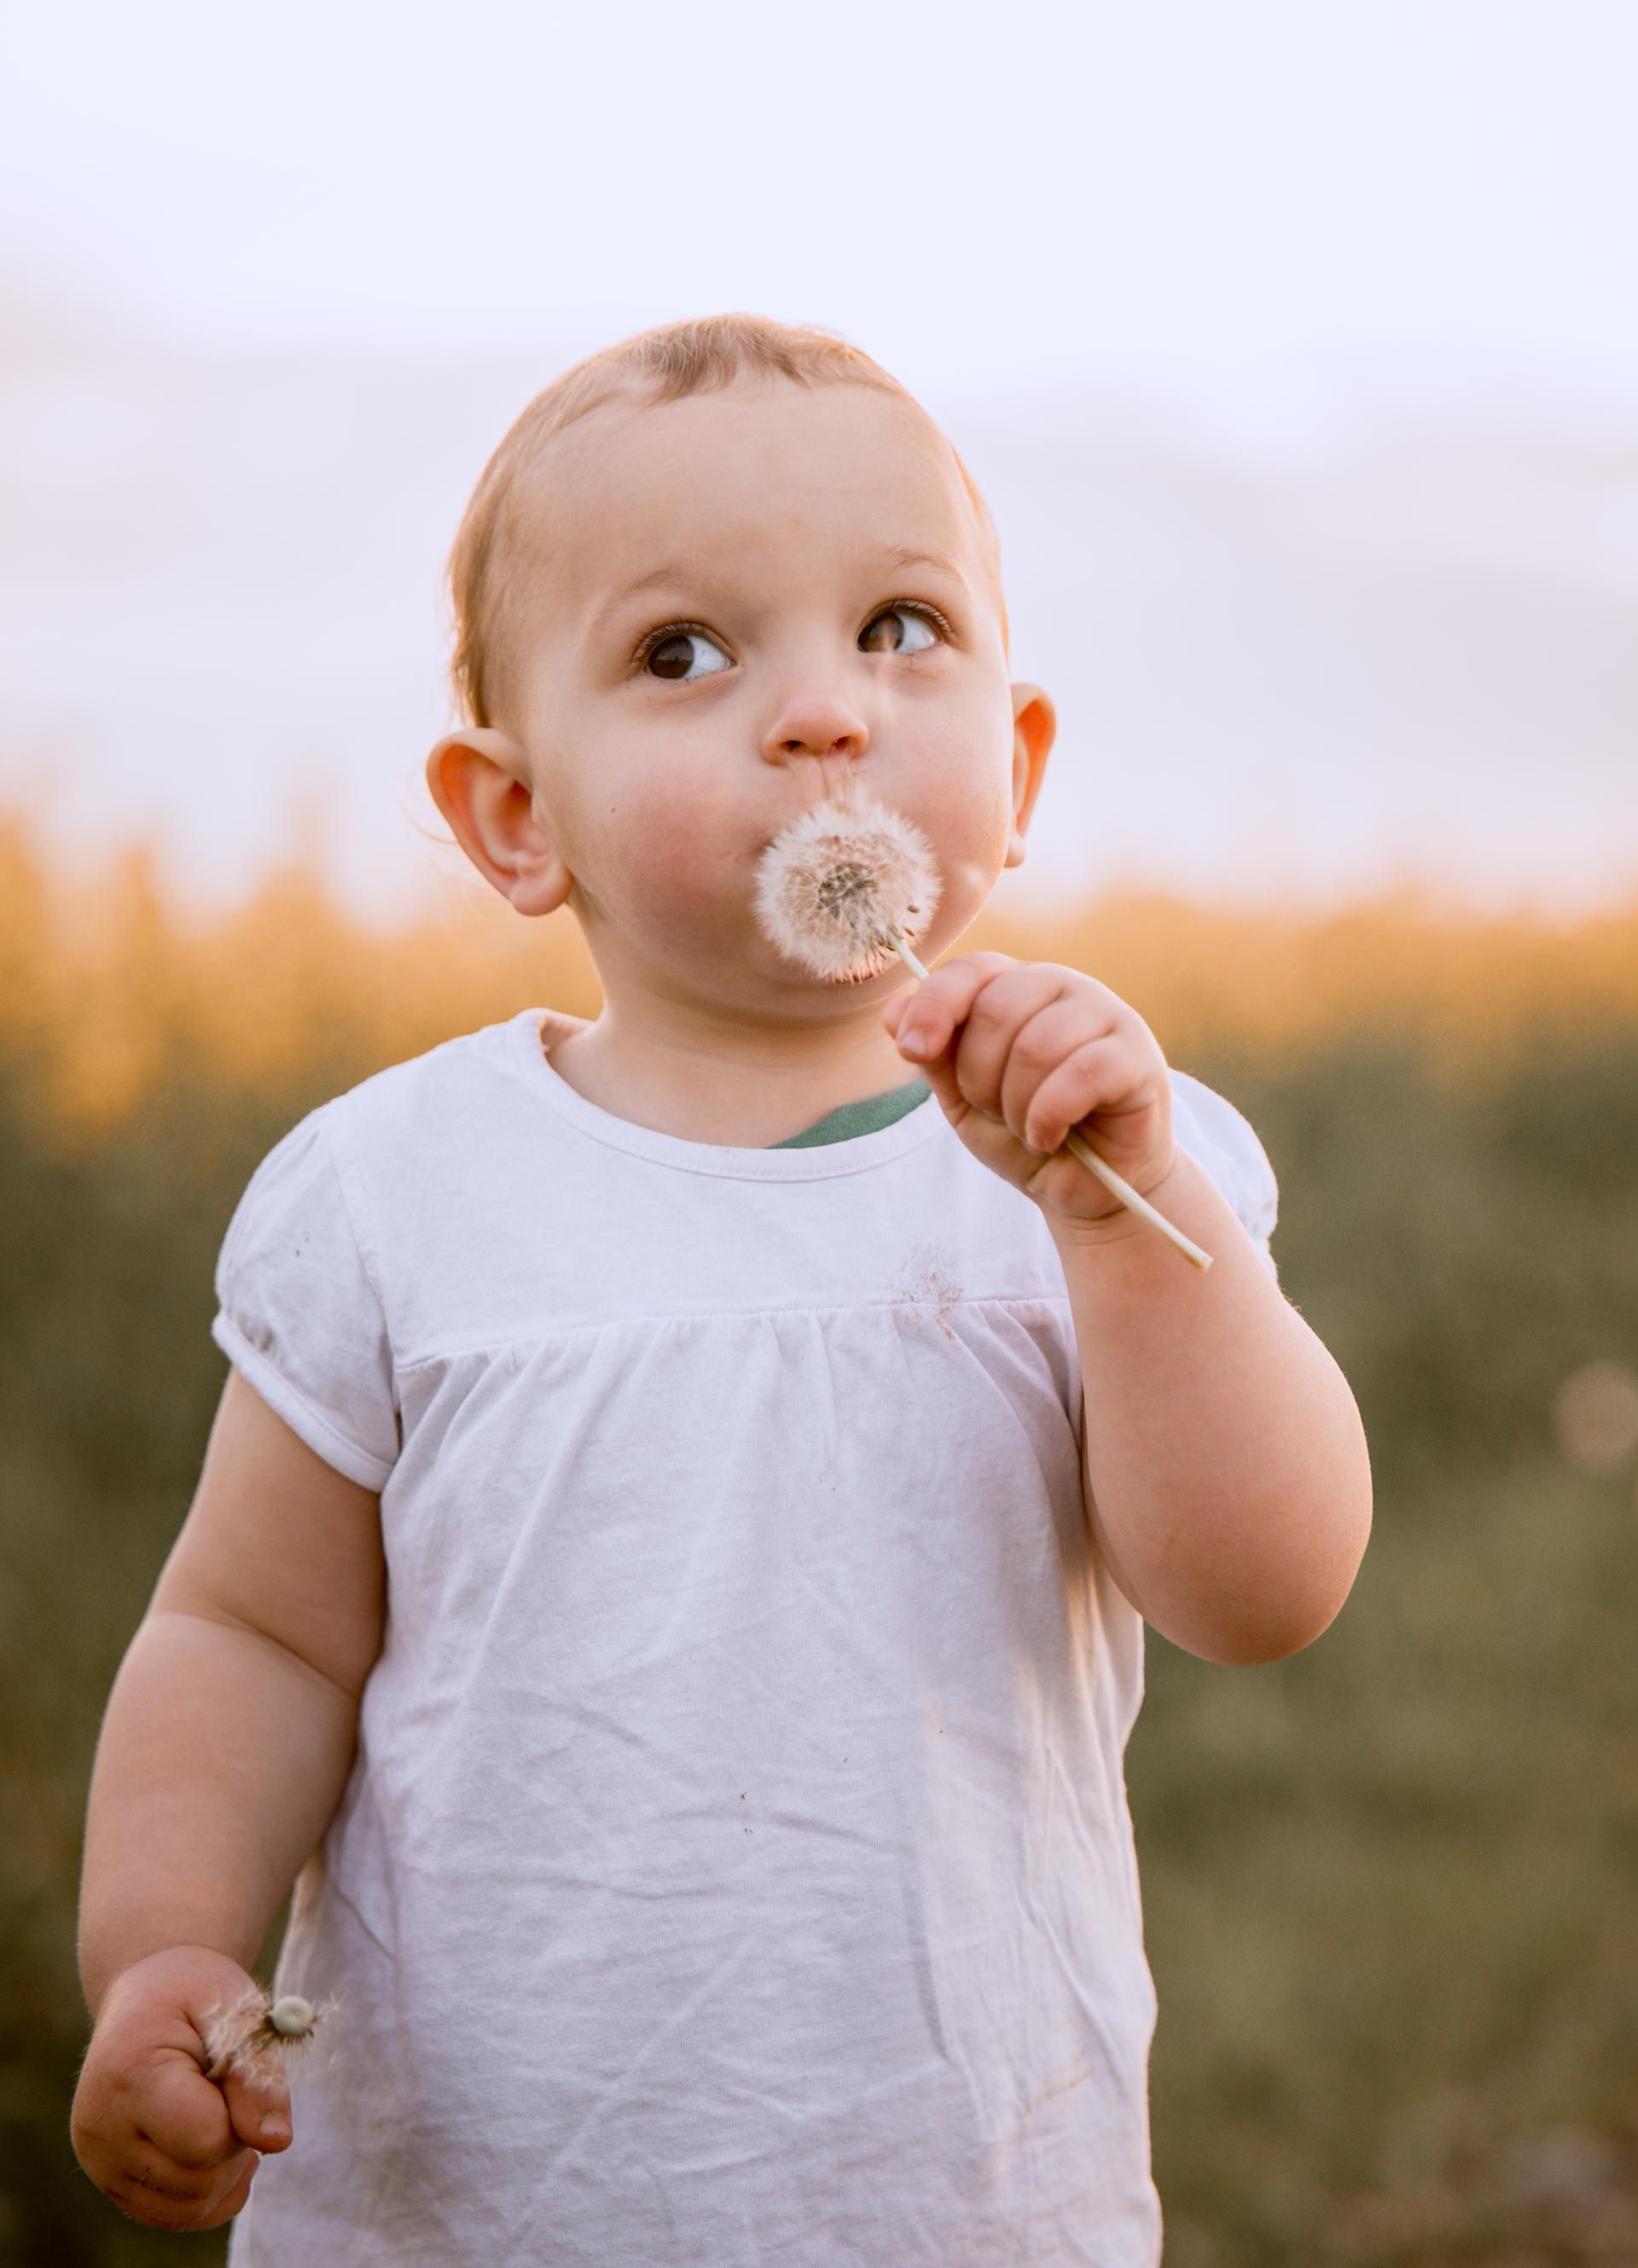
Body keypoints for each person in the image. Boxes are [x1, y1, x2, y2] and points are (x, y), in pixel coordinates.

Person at [69, 313, 1373, 2265]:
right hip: (469, 2209)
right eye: (684, 653)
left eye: (902, 628)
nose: (825, 713)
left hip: (957, 2195)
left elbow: (1265, 1592)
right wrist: (162, 1945)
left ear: (1013, 771)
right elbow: (256, 1634)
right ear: (516, 815)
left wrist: (1124, 1226)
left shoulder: (1107, 1157)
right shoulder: (398, 1191)